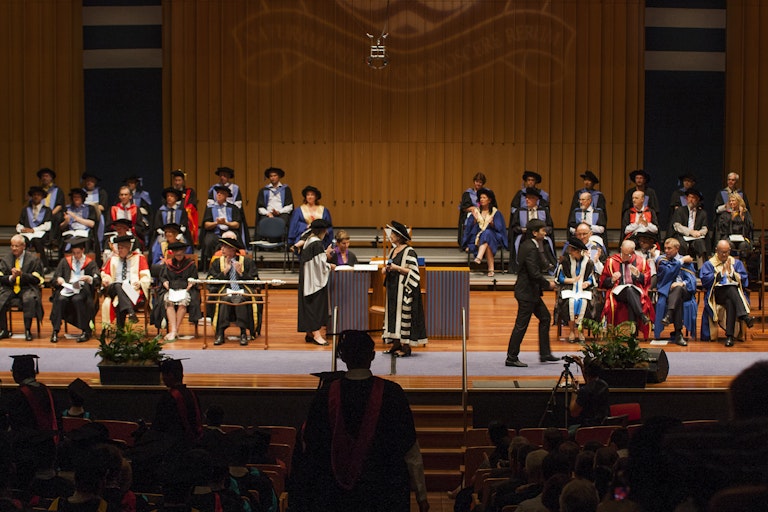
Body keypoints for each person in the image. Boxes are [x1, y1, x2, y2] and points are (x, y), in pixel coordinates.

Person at [294, 330, 429, 512]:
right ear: (372, 356)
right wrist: (421, 496)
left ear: (343, 357)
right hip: (384, 496)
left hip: (335, 497)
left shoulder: (325, 395)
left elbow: (311, 447)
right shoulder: (393, 394)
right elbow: (410, 449)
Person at [505, 219, 559, 367]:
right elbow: (534, 273)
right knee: (521, 325)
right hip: (526, 293)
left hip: (532, 292)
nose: (545, 232)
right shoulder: (530, 247)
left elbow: (541, 264)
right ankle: (511, 357)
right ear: (535, 233)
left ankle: (545, 353)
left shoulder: (533, 245)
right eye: (542, 230)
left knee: (545, 318)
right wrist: (548, 284)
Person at [382, 220, 428, 357]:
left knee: (403, 317)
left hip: (404, 289)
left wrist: (397, 268)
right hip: (393, 289)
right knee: (393, 315)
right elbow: (390, 266)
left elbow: (413, 272)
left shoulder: (409, 251)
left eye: (393, 233)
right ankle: (395, 344)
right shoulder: (392, 251)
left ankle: (406, 347)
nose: (390, 235)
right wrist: (386, 269)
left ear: (399, 236)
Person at [700, 239, 754, 346]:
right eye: (722, 252)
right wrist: (720, 274)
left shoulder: (736, 263)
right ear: (716, 250)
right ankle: (744, 316)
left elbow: (744, 279)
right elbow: (705, 281)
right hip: (717, 295)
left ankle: (729, 337)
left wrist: (733, 274)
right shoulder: (709, 264)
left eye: (727, 252)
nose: (724, 255)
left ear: (729, 251)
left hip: (733, 295)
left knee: (730, 300)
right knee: (730, 290)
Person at [207, 237, 260, 346]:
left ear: (232, 249)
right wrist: (224, 272)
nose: (222, 249)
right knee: (225, 299)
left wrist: (242, 274)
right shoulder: (217, 262)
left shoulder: (246, 261)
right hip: (224, 290)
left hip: (242, 290)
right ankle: (220, 333)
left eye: (225, 247)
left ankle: (243, 333)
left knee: (239, 299)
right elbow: (210, 281)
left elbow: (256, 281)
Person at [50, 237, 101, 343]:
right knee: (60, 299)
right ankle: (55, 330)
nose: (76, 256)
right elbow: (54, 278)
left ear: (83, 251)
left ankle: (85, 331)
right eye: (74, 253)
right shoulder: (65, 262)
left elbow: (97, 279)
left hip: (83, 290)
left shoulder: (90, 263)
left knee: (77, 300)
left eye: (78, 253)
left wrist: (89, 279)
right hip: (67, 289)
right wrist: (59, 279)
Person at [599, 240, 653, 338]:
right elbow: (603, 282)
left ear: (633, 252)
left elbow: (646, 280)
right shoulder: (611, 261)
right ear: (621, 249)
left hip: (635, 291)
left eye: (628, 255)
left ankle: (632, 334)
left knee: (631, 293)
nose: (625, 257)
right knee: (629, 291)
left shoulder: (641, 261)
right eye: (623, 253)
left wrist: (638, 274)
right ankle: (641, 317)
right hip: (618, 292)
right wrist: (612, 279)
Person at [100, 234, 151, 327]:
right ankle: (131, 311)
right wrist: (106, 279)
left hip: (131, 290)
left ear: (128, 248)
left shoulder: (139, 258)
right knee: (118, 285)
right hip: (113, 288)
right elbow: (105, 274)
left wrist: (140, 282)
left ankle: (120, 332)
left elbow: (146, 276)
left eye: (122, 248)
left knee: (119, 302)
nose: (119, 250)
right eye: (118, 248)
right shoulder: (113, 259)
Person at [654, 238, 698, 345]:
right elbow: (669, 273)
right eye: (665, 248)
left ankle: (669, 315)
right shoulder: (661, 260)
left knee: (678, 289)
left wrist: (682, 283)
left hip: (685, 291)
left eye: (669, 248)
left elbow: (692, 280)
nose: (667, 251)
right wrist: (681, 262)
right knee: (678, 299)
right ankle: (678, 334)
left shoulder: (686, 261)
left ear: (677, 248)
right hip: (667, 292)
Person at [298, 219, 335, 346]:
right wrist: (330, 266)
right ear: (323, 231)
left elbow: (314, 259)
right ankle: (316, 334)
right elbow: (320, 265)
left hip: (306, 277)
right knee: (315, 305)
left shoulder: (309, 240)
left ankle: (309, 332)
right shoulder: (317, 243)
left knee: (308, 304)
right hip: (313, 280)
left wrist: (325, 254)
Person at [0, 235, 45, 340]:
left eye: (17, 246)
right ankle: (4, 330)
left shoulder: (33, 259)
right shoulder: (6, 259)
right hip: (10, 288)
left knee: (29, 299)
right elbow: (1, 277)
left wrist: (22, 275)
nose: (14, 248)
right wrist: (12, 277)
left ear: (23, 246)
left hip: (27, 287)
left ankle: (28, 330)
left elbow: (37, 279)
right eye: (12, 246)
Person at [156, 241, 201, 342]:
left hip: (185, 289)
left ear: (184, 251)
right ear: (173, 253)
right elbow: (162, 277)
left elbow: (194, 278)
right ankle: (174, 330)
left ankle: (174, 331)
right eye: (176, 251)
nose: (178, 253)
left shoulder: (190, 264)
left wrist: (190, 285)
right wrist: (164, 282)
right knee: (168, 301)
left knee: (182, 302)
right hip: (171, 289)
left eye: (180, 251)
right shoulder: (168, 264)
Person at [151, 358, 203, 446]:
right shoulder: (192, 394)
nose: (162, 378)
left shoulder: (168, 398)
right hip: (195, 442)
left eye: (163, 375)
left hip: (174, 445)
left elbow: (159, 425)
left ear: (170, 375)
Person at [556, 237, 597, 343]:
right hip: (569, 288)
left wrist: (587, 283)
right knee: (571, 302)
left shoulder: (589, 263)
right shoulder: (565, 261)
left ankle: (581, 331)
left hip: (584, 290)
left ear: (578, 251)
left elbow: (592, 278)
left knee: (583, 302)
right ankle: (571, 331)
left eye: (572, 250)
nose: (569, 252)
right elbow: (560, 278)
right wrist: (572, 280)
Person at [508, 188, 556, 274]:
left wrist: (544, 230)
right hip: (524, 236)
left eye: (530, 198)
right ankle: (544, 263)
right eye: (526, 198)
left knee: (540, 239)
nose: (527, 199)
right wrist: (523, 230)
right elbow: (514, 227)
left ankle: (542, 264)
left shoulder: (543, 211)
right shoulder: (520, 211)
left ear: (536, 199)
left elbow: (550, 226)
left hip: (541, 236)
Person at [462, 188, 507, 277]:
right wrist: (474, 221)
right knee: (487, 237)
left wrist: (492, 224)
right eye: (481, 198)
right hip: (477, 237)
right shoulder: (476, 212)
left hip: (494, 237)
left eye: (484, 197)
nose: (482, 199)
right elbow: (469, 229)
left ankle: (479, 257)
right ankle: (491, 269)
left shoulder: (495, 212)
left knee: (488, 233)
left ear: (489, 200)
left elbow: (500, 228)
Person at [200, 185, 242, 271]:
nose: (219, 195)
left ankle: (232, 263)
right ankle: (214, 266)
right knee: (209, 241)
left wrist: (226, 223)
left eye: (222, 193)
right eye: (218, 193)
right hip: (215, 231)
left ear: (226, 196)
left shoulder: (233, 208)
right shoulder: (210, 208)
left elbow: (237, 224)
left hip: (229, 231)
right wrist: (216, 223)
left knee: (231, 239)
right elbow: (206, 225)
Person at [16, 186, 53, 271]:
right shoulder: (25, 209)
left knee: (37, 241)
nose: (36, 196)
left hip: (42, 234)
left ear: (42, 197)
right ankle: (21, 265)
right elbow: (20, 224)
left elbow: (48, 225)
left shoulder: (47, 210)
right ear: (32, 196)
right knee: (21, 241)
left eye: (38, 195)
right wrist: (22, 229)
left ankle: (44, 266)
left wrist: (34, 230)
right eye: (34, 195)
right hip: (27, 234)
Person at [568, 356, 610, 429]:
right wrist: (581, 366)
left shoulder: (584, 391)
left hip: (587, 428)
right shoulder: (604, 385)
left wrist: (574, 390)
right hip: (602, 427)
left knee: (569, 430)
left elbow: (573, 413)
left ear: (586, 371)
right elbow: (590, 382)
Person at [667, 188, 709, 260]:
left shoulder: (702, 213)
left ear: (698, 200)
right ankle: (682, 265)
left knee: (700, 243)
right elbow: (677, 226)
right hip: (682, 235)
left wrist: (699, 233)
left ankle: (701, 267)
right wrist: (690, 232)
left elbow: (705, 228)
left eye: (694, 198)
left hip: (696, 236)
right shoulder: (680, 210)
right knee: (681, 244)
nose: (691, 200)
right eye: (689, 197)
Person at [288, 185, 333, 250]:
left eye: (312, 195)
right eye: (308, 195)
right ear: (305, 197)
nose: (310, 197)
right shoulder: (299, 210)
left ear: (316, 197)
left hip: (321, 237)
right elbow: (294, 225)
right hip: (304, 235)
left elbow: (329, 225)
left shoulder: (324, 210)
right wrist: (305, 226)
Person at [715, 192, 754, 259]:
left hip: (743, 238)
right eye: (730, 201)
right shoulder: (725, 214)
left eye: (733, 201)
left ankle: (741, 265)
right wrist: (731, 219)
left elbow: (750, 228)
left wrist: (742, 217)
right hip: (729, 237)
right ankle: (729, 263)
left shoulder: (745, 213)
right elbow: (722, 229)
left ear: (738, 201)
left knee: (743, 246)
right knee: (729, 245)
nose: (731, 203)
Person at [60, 188, 98, 257]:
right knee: (66, 239)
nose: (76, 199)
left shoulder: (90, 208)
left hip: (85, 231)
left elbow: (92, 224)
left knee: (84, 239)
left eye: (78, 197)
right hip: (71, 232)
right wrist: (66, 221)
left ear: (82, 198)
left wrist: (75, 217)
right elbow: (61, 226)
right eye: (74, 197)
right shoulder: (67, 208)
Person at [458, 172, 491, 246]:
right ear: (474, 181)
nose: (478, 184)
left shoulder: (487, 193)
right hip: (472, 213)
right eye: (477, 182)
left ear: (483, 183)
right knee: (472, 220)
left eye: (480, 182)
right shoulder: (468, 193)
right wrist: (473, 209)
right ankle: (469, 243)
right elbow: (464, 207)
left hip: (485, 212)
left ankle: (485, 242)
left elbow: (492, 205)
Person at [169, 169, 199, 245]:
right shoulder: (169, 192)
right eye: (176, 180)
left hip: (184, 216)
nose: (177, 183)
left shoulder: (189, 192)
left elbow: (192, 204)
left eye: (179, 180)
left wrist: (183, 211)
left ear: (183, 181)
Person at [37, 168, 66, 242]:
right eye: (43, 176)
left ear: (51, 178)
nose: (44, 178)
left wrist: (49, 214)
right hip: (40, 212)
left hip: (53, 213)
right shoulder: (38, 191)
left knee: (57, 217)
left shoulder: (57, 190)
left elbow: (60, 205)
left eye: (46, 176)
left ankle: (53, 241)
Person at [81, 171, 109, 246]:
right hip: (83, 216)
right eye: (87, 180)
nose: (89, 182)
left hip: (97, 216)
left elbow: (102, 207)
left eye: (91, 181)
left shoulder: (101, 192)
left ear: (95, 182)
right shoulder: (81, 192)